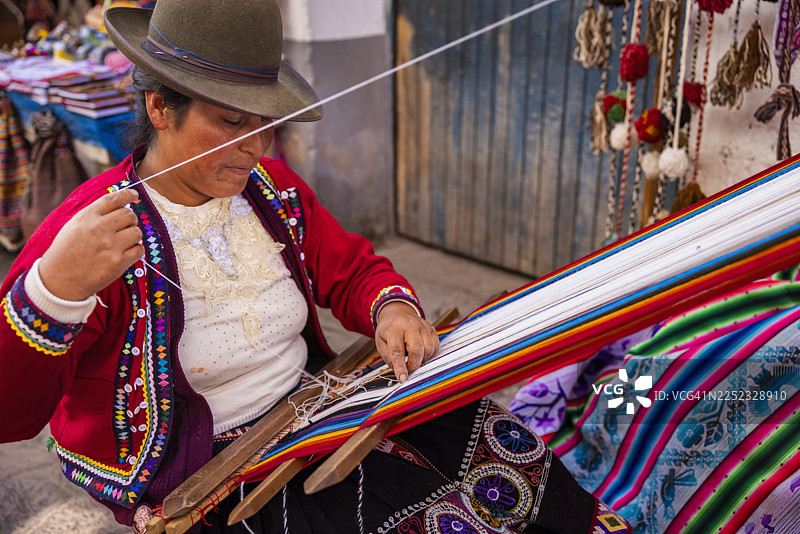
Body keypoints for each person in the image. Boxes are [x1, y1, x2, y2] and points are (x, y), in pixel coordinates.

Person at [0, 1, 632, 532]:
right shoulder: (92, 237)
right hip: (209, 468)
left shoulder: (269, 192)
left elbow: (351, 269)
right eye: (230, 123)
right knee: (424, 516)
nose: (255, 146)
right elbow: (11, 413)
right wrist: (54, 292)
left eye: (266, 125)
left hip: (317, 405)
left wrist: (394, 306)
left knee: (496, 442)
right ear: (160, 108)